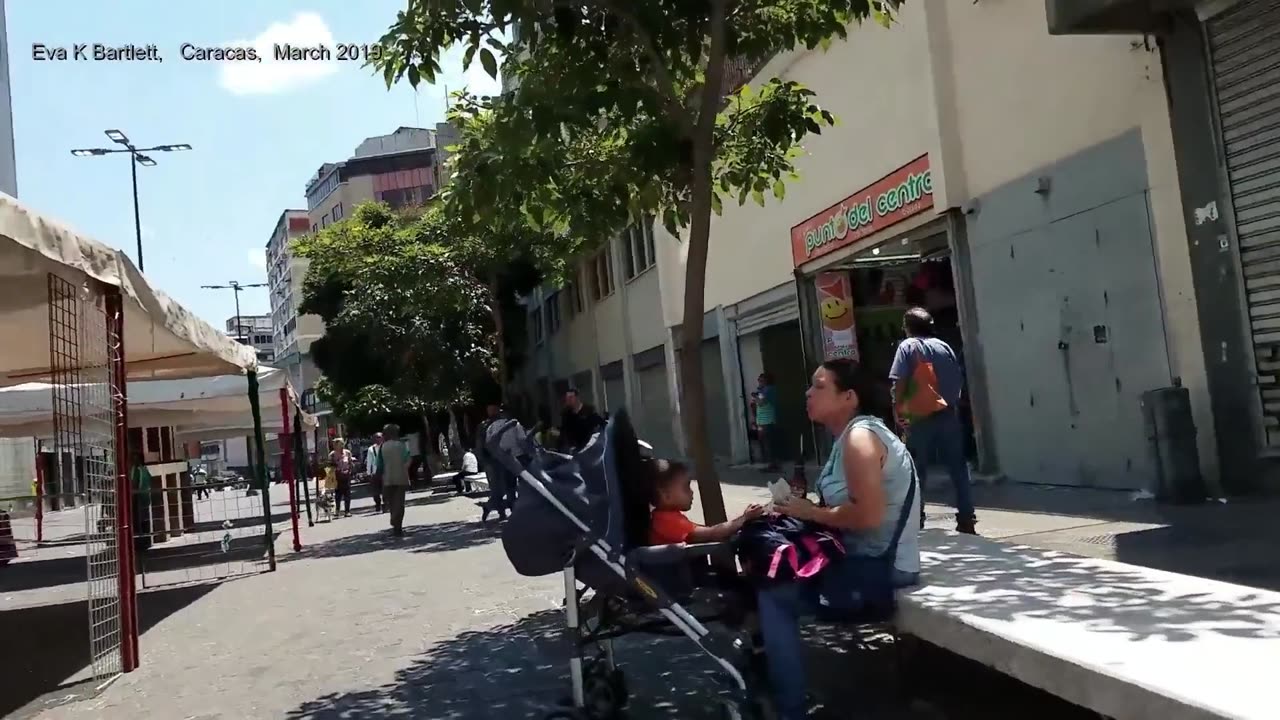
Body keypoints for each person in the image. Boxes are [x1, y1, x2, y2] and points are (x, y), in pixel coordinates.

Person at [760, 359, 922, 720]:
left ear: (849, 397)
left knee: (773, 596)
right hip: (866, 559)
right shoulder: (848, 438)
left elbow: (867, 516)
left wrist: (810, 513)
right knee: (771, 569)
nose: (808, 392)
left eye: (818, 386)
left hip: (882, 568)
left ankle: (791, 710)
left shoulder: (860, 438)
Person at [890, 307, 976, 535]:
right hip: (948, 415)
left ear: (908, 327)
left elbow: (899, 381)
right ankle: (967, 518)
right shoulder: (944, 346)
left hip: (919, 418)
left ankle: (916, 518)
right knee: (958, 468)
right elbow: (957, 378)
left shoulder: (907, 347)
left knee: (916, 471)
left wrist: (899, 411)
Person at [649, 459, 764, 545]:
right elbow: (711, 533)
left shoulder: (665, 517)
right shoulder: (668, 521)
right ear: (666, 495)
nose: (692, 492)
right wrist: (744, 518)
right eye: (686, 487)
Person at [379, 423, 413, 536]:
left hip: (387, 478)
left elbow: (379, 464)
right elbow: (408, 460)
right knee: (400, 502)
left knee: (392, 502)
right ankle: (398, 525)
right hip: (401, 477)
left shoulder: (382, 447)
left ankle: (395, 522)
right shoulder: (402, 445)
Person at [752, 373, 784, 472]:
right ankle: (771, 464)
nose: (759, 382)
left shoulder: (769, 390)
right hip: (762, 421)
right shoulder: (762, 391)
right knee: (765, 443)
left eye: (761, 380)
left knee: (769, 443)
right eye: (759, 380)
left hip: (768, 420)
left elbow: (762, 402)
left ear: (766, 381)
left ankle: (773, 464)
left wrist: (755, 396)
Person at [559, 388, 605, 453]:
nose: (569, 400)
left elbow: (598, 426)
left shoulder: (588, 411)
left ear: (577, 398)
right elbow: (564, 432)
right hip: (573, 449)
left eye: (571, 397)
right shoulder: (566, 414)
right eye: (567, 398)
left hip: (587, 446)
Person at [328, 438, 355, 517]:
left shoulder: (347, 453)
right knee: (338, 495)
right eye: (338, 444)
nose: (340, 446)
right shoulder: (332, 454)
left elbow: (350, 463)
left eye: (341, 444)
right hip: (337, 477)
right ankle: (337, 511)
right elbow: (328, 466)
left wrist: (350, 471)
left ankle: (347, 511)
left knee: (347, 494)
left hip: (346, 476)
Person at [365, 432, 385, 513]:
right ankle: (378, 503)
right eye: (376, 437)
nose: (378, 439)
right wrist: (368, 473)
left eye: (379, 437)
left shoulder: (386, 447)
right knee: (375, 491)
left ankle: (386, 504)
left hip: (385, 471)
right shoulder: (371, 449)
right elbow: (369, 461)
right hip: (375, 472)